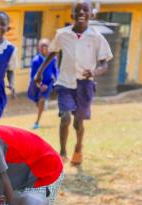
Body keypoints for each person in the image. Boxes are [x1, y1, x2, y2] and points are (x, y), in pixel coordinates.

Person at [35, 0, 112, 165]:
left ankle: (78, 147)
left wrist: (95, 71)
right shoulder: (62, 34)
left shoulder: (96, 37)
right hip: (65, 83)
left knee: (78, 123)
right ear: (72, 15)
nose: (82, 14)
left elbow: (105, 63)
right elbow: (53, 53)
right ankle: (62, 152)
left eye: (86, 11)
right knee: (65, 117)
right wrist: (39, 72)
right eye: (78, 11)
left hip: (85, 84)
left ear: (92, 14)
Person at [27, 38, 58, 130]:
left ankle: (37, 122)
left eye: (46, 45)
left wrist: (58, 79)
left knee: (42, 101)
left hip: (48, 83)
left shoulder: (53, 59)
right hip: (37, 84)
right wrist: (39, 85)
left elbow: (55, 70)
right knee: (38, 102)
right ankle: (40, 106)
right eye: (42, 45)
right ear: (39, 48)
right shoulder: (36, 60)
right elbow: (33, 75)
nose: (44, 47)